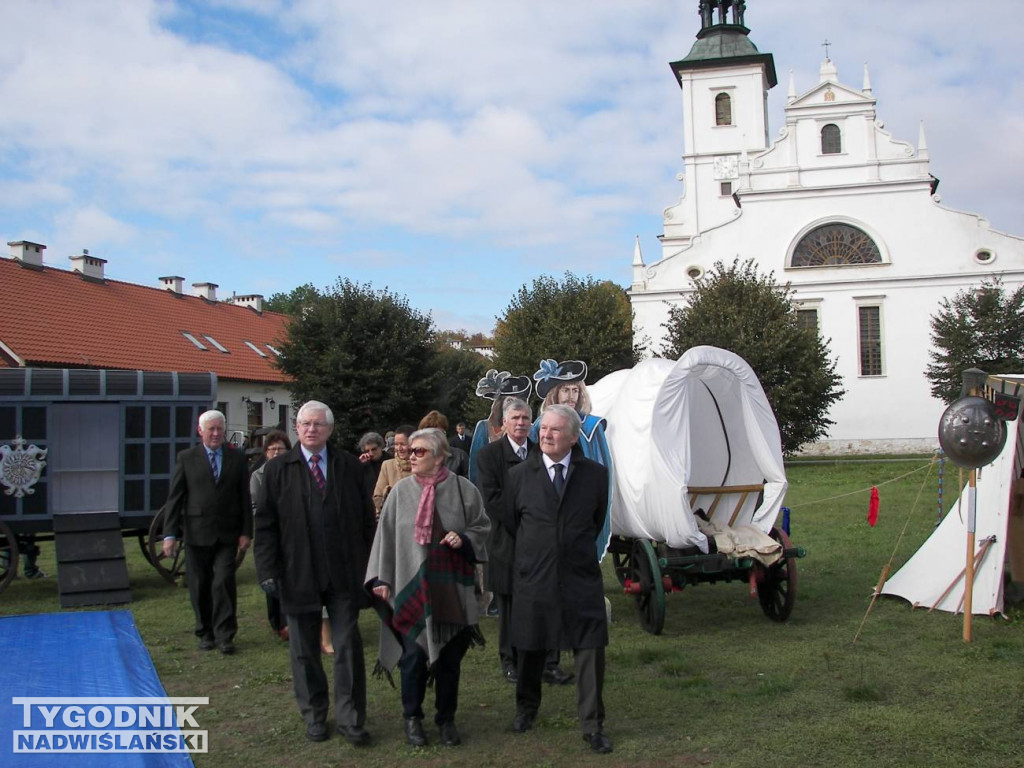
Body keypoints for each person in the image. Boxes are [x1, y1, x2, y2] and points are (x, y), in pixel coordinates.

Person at [254, 401, 376, 746]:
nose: (311, 429)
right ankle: (315, 715)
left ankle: (351, 718)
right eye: (305, 424)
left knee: (348, 646)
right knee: (304, 650)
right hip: (297, 574)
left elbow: (367, 522)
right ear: (297, 428)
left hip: (344, 574)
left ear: (330, 430)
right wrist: (268, 571)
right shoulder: (278, 470)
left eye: (318, 424)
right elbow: (265, 526)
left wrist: (371, 568)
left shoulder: (350, 468)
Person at [365, 428, 490, 748]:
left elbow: (482, 528)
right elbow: (385, 537)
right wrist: (381, 578)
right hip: (411, 587)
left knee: (449, 660)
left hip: (452, 588)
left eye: (419, 452)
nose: (410, 456)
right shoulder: (400, 492)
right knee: (413, 657)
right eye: (409, 451)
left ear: (439, 456)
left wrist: (464, 539)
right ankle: (412, 718)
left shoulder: (464, 490)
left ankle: (446, 720)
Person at [507, 405, 612, 754]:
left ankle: (593, 725)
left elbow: (595, 521)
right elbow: (511, 524)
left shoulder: (595, 475)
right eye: (543, 429)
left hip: (580, 576)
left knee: (590, 648)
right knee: (531, 645)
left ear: (572, 437)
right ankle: (526, 709)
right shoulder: (521, 475)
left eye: (554, 430)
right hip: (535, 576)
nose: (545, 435)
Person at [476, 397, 572, 686]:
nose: (520, 423)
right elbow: (492, 501)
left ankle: (549, 664)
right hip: (508, 543)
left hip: (543, 546)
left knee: (548, 603)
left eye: (525, 419)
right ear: (503, 423)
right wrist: (528, 527)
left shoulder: (541, 452)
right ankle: (511, 661)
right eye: (515, 418)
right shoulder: (489, 456)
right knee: (509, 606)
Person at [162, 410, 252, 655]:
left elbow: (244, 497)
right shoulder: (187, 458)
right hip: (196, 532)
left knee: (223, 581)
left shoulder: (237, 458)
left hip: (227, 533)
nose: (215, 434)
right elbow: (175, 498)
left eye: (219, 429)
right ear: (200, 431)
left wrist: (246, 531)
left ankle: (225, 635)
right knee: (199, 584)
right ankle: (205, 632)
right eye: (210, 429)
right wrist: (169, 534)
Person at [532, 359, 614, 561]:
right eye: (565, 390)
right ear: (555, 392)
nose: (571, 396)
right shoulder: (539, 426)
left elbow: (605, 467)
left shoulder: (593, 426)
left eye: (575, 390)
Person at [249, 429, 291, 641]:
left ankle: (289, 621)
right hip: (271, 532)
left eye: (280, 449)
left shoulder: (295, 472)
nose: (276, 453)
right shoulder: (258, 476)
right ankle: (276, 621)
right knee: (272, 575)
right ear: (266, 452)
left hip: (293, 532)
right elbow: (255, 505)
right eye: (272, 449)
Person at [467, 369, 533, 484]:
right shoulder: (485, 427)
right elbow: (475, 466)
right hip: (491, 487)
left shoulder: (530, 428)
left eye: (518, 401)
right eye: (509, 400)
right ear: (501, 403)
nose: (513, 405)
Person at [373, 425, 414, 518]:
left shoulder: (423, 466)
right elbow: (377, 497)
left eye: (403, 444)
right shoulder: (387, 465)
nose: (399, 448)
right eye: (396, 444)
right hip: (393, 519)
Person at [419, 410, 469, 477]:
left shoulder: (460, 456)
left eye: (438, 433)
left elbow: (469, 483)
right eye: (431, 434)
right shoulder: (416, 458)